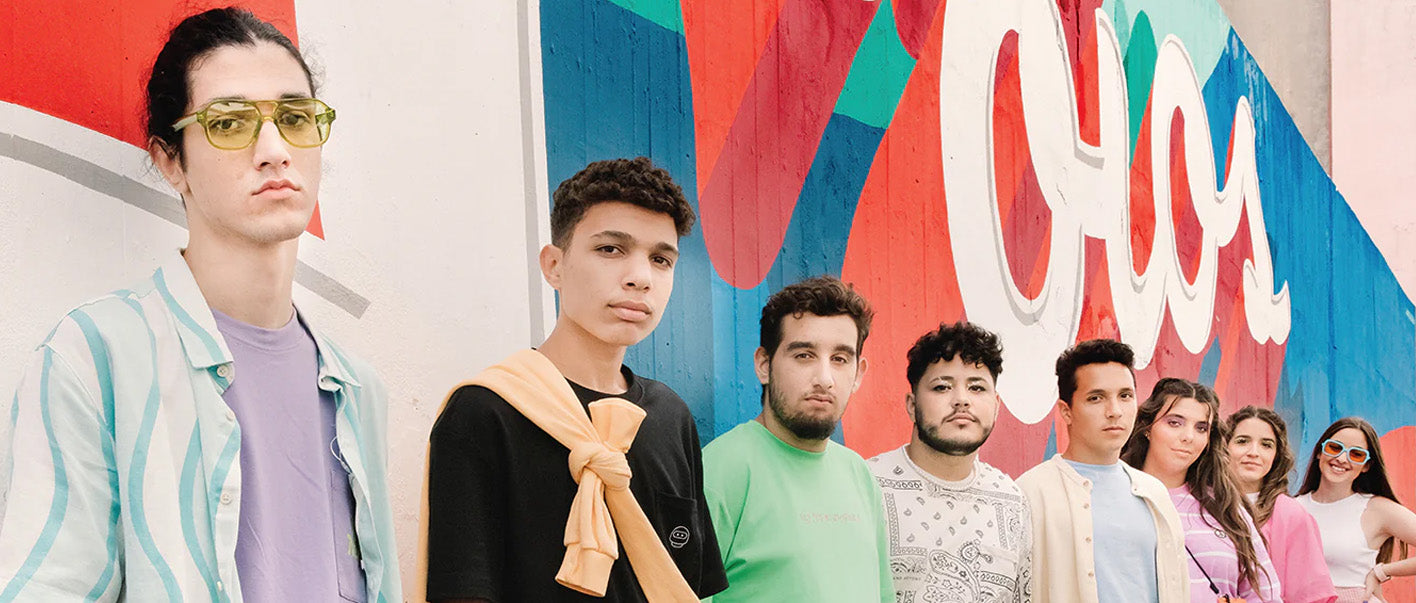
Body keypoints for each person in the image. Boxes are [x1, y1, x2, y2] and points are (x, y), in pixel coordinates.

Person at [0, 9, 401, 601]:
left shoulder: (357, 389)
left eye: (295, 117)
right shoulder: (94, 357)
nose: (274, 150)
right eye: (229, 123)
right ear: (169, 160)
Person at [421, 157, 727, 602]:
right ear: (554, 266)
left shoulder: (670, 417)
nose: (640, 278)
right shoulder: (486, 412)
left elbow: (690, 586)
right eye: (610, 249)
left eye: (661, 259)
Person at [701, 276, 892, 603]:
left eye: (840, 359)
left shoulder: (859, 474)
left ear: (859, 373)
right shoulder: (720, 469)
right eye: (804, 355)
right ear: (764, 365)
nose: (824, 379)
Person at [867, 321, 1031, 602]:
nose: (961, 400)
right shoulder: (868, 485)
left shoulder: (1011, 500)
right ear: (911, 404)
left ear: (996, 405)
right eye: (942, 387)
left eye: (977, 388)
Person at [1016, 339, 1189, 603]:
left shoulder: (1154, 493)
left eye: (1125, 396)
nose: (1115, 411)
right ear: (1066, 411)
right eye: (1096, 398)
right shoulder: (1032, 492)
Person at [1121, 379, 1280, 602]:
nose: (1188, 436)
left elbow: (1265, 594)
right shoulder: (1116, 497)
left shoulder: (1225, 506)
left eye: (1201, 428)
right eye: (1175, 423)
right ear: (1148, 427)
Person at [1297, 417, 1416, 602]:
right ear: (1320, 451)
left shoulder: (1376, 509)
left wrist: (1382, 571)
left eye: (1356, 454)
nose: (1342, 458)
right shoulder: (1291, 507)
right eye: (1334, 448)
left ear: (1366, 466)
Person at [1224, 406, 1336, 603]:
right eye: (1242, 441)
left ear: (1277, 456)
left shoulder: (1291, 514)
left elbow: (1309, 595)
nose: (1253, 452)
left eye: (1266, 445)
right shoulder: (1201, 504)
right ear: (1223, 448)